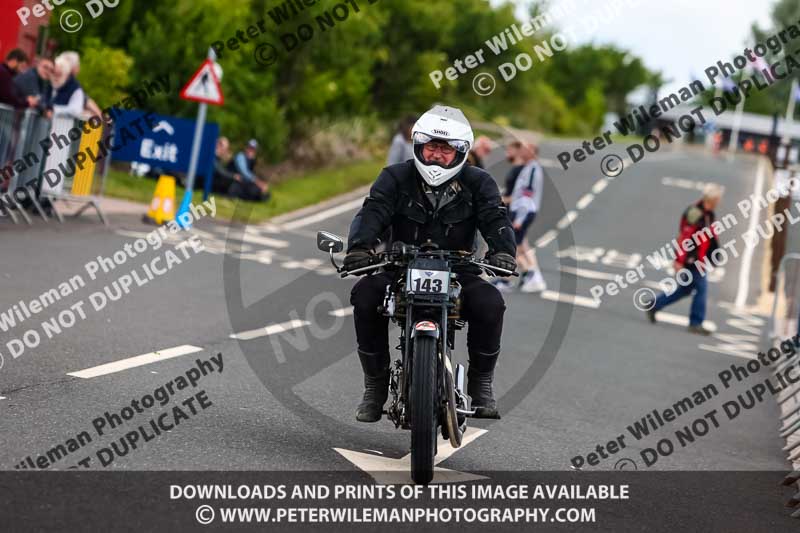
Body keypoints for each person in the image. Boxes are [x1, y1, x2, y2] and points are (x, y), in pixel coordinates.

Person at [345, 105, 517, 423]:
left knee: (491, 303)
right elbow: (374, 211)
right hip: (400, 266)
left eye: (446, 149)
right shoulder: (395, 176)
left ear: (461, 151)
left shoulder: (480, 183)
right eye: (431, 147)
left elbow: (496, 217)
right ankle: (376, 385)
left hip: (458, 269)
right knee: (365, 295)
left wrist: (503, 252)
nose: (437, 155)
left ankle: (482, 385)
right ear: (419, 146)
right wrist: (359, 247)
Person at [645, 183, 724, 335]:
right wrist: (679, 261)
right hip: (691, 260)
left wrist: (713, 255)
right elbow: (685, 237)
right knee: (701, 289)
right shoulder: (695, 213)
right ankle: (696, 323)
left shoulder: (709, 215)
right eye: (718, 199)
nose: (719, 202)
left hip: (700, 259)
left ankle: (654, 304)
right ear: (712, 199)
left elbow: (710, 237)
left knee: (685, 290)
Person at [494, 142, 547, 293]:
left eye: (527, 149)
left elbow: (527, 194)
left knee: (512, 246)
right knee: (520, 245)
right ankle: (527, 276)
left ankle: (526, 275)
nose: (523, 150)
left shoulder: (532, 169)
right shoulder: (529, 167)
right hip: (521, 211)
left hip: (522, 212)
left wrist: (519, 218)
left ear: (533, 152)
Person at [50, 53, 86, 119]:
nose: (55, 77)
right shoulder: (47, 84)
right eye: (53, 73)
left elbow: (75, 110)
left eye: (59, 74)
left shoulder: (75, 89)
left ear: (66, 75)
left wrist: (53, 109)